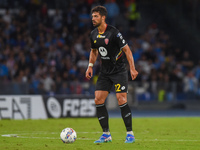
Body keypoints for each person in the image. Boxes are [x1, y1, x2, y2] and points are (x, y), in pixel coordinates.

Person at [85, 5, 138, 143]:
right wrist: (90, 66)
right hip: (105, 72)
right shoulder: (93, 34)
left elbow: (127, 50)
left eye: (96, 16)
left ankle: (130, 134)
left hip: (119, 71)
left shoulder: (114, 32)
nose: (93, 19)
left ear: (103, 17)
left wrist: (132, 68)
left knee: (121, 99)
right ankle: (106, 134)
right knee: (98, 99)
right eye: (92, 16)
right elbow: (94, 51)